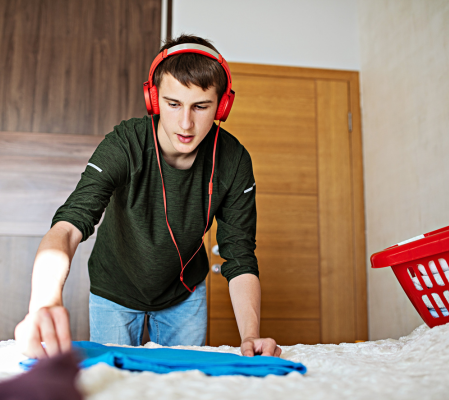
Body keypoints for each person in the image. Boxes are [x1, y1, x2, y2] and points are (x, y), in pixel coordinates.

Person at [14, 34, 281, 359]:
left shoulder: (234, 160)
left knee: (180, 388)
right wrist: (44, 302)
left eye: (201, 106)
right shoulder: (125, 143)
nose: (186, 123)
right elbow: (69, 226)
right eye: (173, 104)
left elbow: (239, 255)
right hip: (114, 288)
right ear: (153, 99)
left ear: (222, 105)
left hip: (184, 294)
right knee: (113, 384)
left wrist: (250, 336)